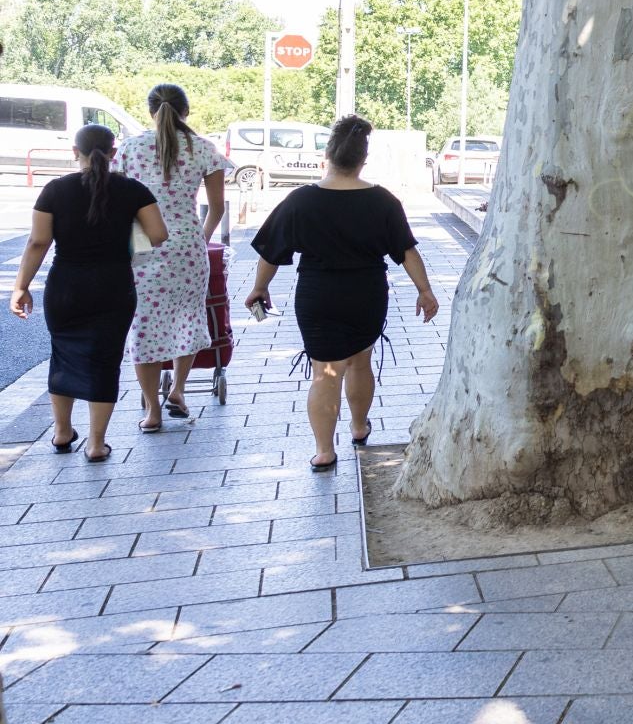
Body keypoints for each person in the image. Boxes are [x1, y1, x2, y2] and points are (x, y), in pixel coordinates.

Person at [245, 114, 438, 470]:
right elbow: (407, 251)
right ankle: (360, 426)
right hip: (366, 293)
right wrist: (425, 291)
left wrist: (260, 288)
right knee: (361, 361)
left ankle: (324, 450)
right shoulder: (384, 201)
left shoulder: (300, 201)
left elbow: (269, 252)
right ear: (363, 160)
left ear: (327, 157)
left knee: (325, 372)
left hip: (318, 295)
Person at [8, 124, 167, 462]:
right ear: (113, 153)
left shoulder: (55, 190)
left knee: (63, 355)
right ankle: (96, 444)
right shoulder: (132, 189)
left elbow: (38, 242)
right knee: (105, 361)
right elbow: (158, 234)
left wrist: (20, 286)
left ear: (74, 152)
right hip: (113, 286)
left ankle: (62, 432)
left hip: (66, 286)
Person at [116, 83, 233, 430]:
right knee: (188, 318)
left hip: (141, 248)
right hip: (187, 249)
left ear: (151, 111)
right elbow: (215, 208)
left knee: (144, 328)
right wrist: (201, 237)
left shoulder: (130, 149)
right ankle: (179, 391)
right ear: (186, 111)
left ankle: (152, 411)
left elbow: (117, 200)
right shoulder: (203, 149)